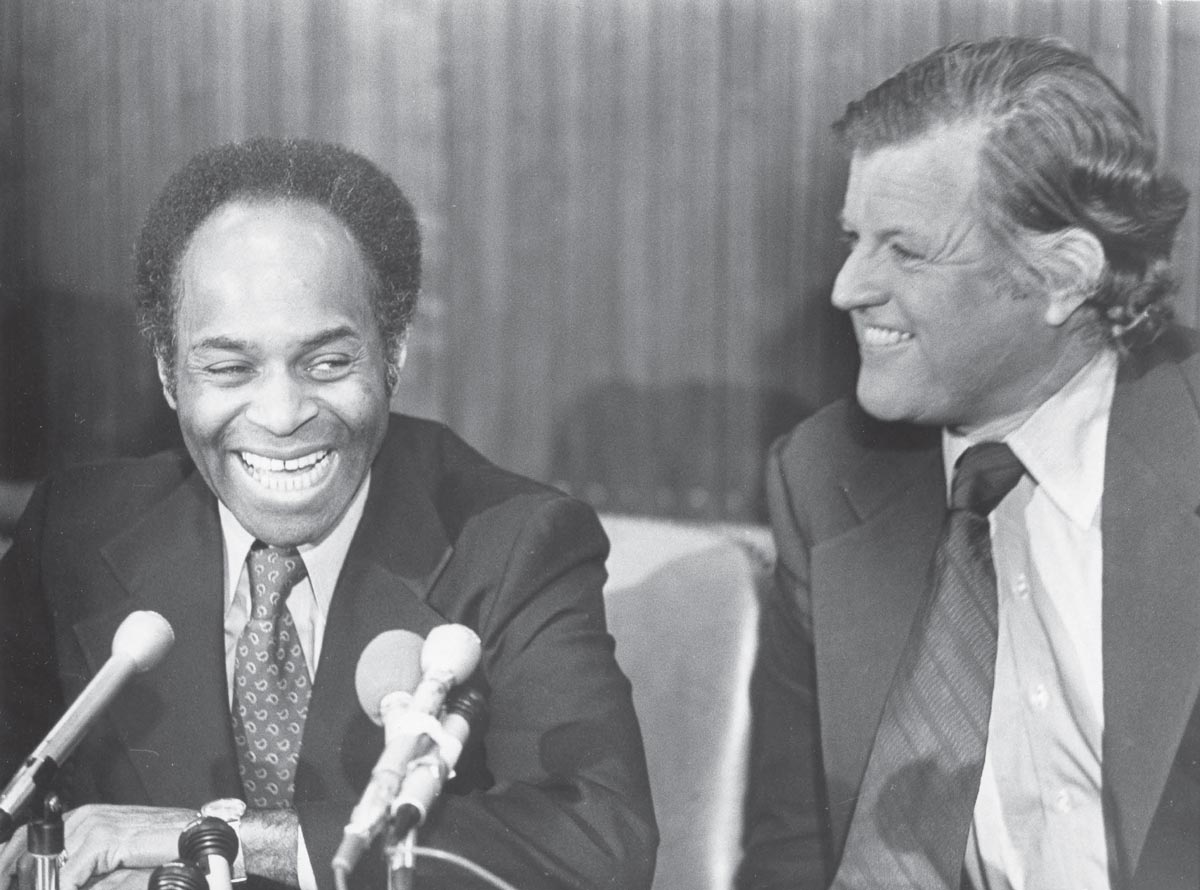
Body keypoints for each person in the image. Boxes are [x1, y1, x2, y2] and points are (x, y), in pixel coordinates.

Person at [0, 137, 657, 890]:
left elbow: (600, 842)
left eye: (327, 362)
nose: (281, 414)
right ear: (168, 374)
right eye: (228, 367)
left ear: (393, 355)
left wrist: (227, 841)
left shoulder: (517, 544)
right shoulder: (74, 535)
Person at [738, 36, 1195, 890]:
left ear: (1063, 276)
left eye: (906, 251)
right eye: (853, 239)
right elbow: (795, 845)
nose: (847, 288)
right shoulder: (824, 474)